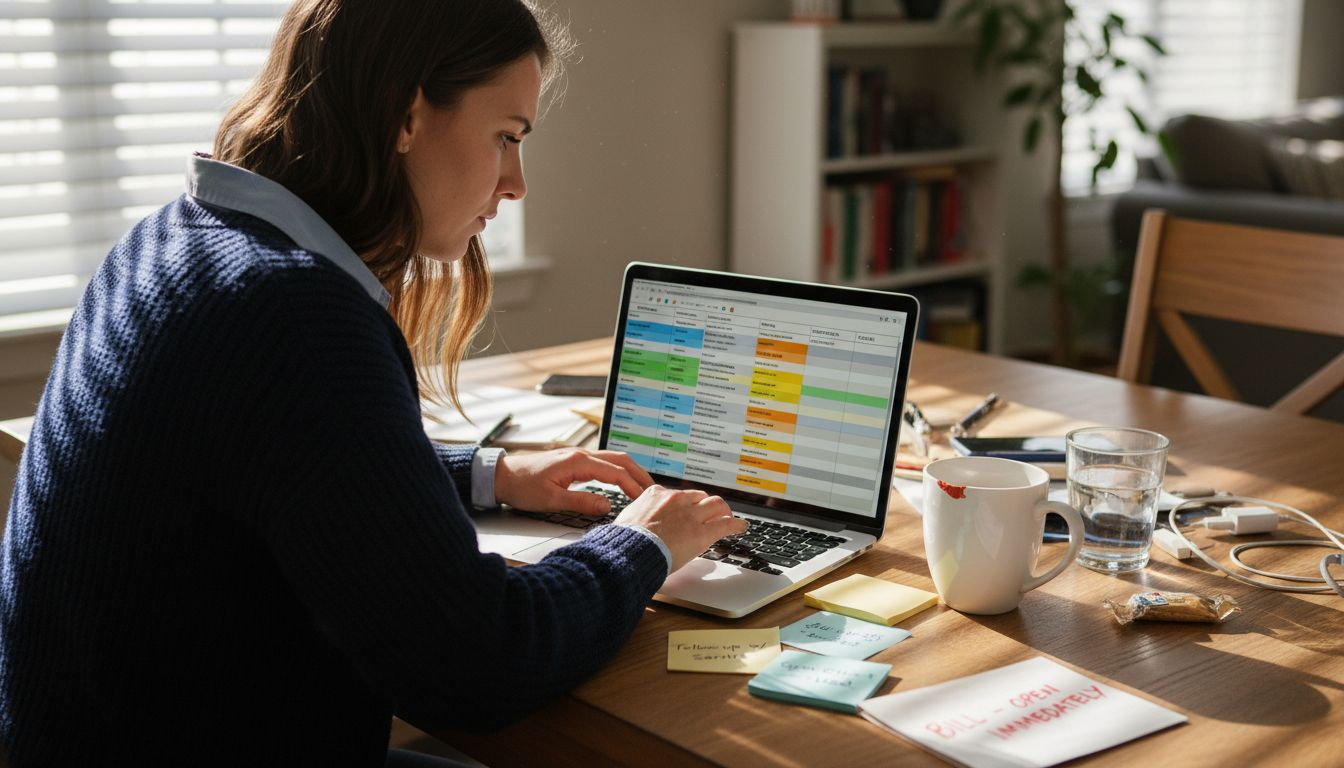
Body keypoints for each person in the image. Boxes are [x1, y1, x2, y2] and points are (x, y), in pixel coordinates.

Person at [0, 1, 746, 765]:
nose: (516, 183)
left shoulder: (177, 238)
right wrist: (643, 543)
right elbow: (479, 662)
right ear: (406, 114)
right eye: (506, 137)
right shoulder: (293, 311)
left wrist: (493, 474)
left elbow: (293, 478)